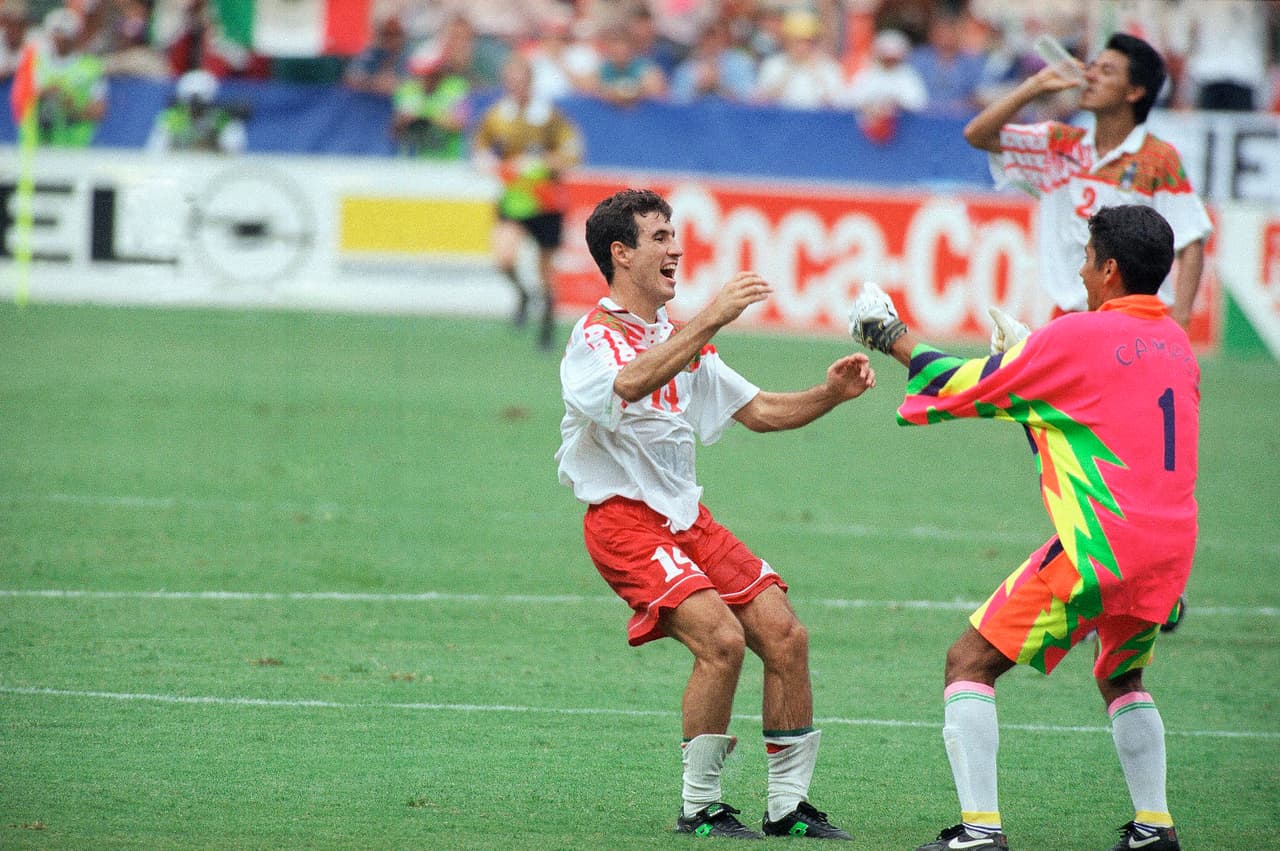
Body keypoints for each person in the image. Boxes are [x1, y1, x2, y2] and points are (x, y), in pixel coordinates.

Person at [846, 204, 1197, 851]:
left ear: (1111, 268)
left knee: (968, 661)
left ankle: (980, 832)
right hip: (1168, 552)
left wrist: (888, 332)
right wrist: (1029, 365)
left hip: (1098, 548)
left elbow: (956, 386)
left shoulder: (1079, 336)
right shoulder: (1176, 342)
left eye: (1088, 259)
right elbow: (1086, 428)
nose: (1084, 272)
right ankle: (1156, 826)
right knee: (1121, 676)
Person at [557, 189, 876, 841]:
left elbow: (758, 411)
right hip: (623, 521)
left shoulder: (678, 337)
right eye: (658, 237)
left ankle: (789, 808)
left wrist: (831, 394)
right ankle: (700, 806)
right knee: (722, 640)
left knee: (785, 634)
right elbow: (629, 383)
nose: (676, 248)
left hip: (684, 518)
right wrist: (711, 317)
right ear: (621, 253)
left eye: (675, 234)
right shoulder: (595, 337)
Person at [962, 32, 1212, 331]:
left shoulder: (1158, 159)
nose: (1091, 76)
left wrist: (1181, 320)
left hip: (1132, 320)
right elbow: (977, 135)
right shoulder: (1058, 144)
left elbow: (1191, 239)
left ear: (1134, 91)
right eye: (1092, 67)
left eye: (1106, 71)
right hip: (1069, 316)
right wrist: (1035, 86)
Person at [473, 54, 583, 349]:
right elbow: (481, 145)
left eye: (522, 81)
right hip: (515, 199)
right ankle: (522, 293)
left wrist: (544, 162)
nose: (517, 87)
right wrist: (486, 162)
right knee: (503, 257)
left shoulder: (548, 116)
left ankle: (547, 324)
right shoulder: (498, 115)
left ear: (531, 82)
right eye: (511, 82)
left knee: (545, 269)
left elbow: (572, 150)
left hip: (546, 200)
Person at [392, 16, 475, 159]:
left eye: (430, 73)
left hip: (445, 163)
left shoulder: (455, 87)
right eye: (423, 73)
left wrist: (428, 115)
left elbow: (460, 123)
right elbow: (396, 129)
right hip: (413, 164)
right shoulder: (408, 89)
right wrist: (406, 121)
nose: (426, 78)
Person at [34, 7, 106, 147]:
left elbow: (99, 110)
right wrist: (43, 95)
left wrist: (72, 109)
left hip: (76, 146)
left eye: (64, 33)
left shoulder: (90, 67)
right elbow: (20, 101)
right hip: (39, 144)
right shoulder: (36, 63)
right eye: (56, 32)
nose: (59, 38)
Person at [754, 9, 847, 109]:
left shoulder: (829, 67)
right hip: (781, 122)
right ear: (786, 41)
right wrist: (788, 72)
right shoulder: (772, 65)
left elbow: (840, 106)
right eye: (796, 41)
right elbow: (759, 103)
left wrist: (817, 75)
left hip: (816, 122)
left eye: (807, 41)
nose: (801, 47)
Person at [846, 29, 927, 144]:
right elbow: (849, 100)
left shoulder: (908, 76)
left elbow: (919, 103)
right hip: (865, 138)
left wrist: (896, 105)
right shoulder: (868, 74)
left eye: (893, 57)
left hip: (903, 139)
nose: (889, 61)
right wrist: (871, 107)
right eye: (886, 56)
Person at [146, 68, 247, 154]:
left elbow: (235, 154)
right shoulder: (171, 118)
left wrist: (213, 142)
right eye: (190, 104)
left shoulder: (224, 119)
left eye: (200, 105)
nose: (194, 109)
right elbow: (155, 153)